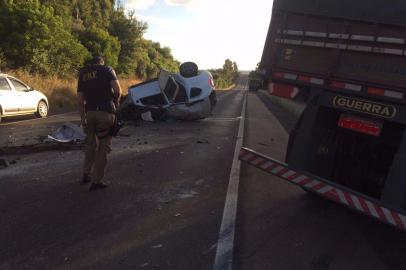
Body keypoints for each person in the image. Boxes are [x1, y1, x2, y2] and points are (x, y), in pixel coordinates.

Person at [77, 56, 122, 191]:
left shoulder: (83, 73)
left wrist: (82, 119)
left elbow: (80, 99)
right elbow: (118, 90)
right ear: (101, 62)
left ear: (92, 63)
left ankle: (86, 173)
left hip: (90, 113)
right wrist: (116, 102)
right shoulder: (107, 69)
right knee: (103, 147)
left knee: (90, 144)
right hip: (105, 113)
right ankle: (97, 181)